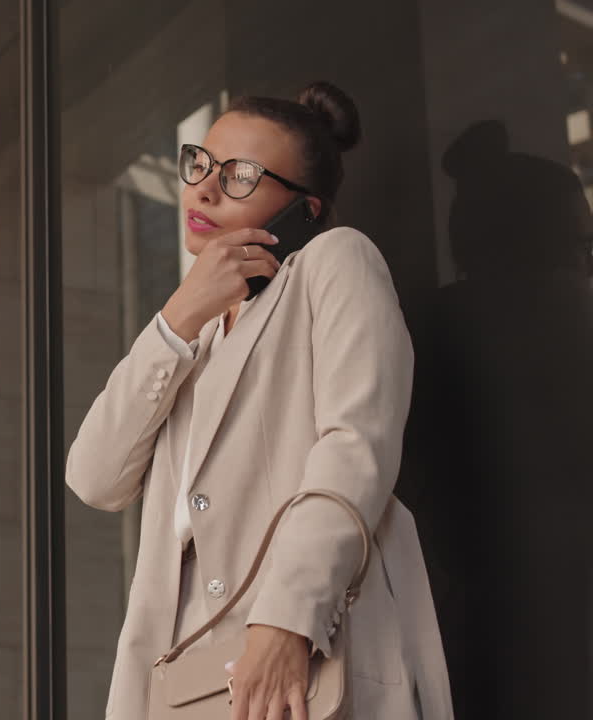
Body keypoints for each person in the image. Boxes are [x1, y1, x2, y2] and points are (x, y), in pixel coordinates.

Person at [65, 81, 452, 720]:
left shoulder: (336, 262)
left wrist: (286, 619)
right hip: (183, 684)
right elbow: (93, 476)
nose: (206, 189)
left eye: (242, 175)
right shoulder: (194, 331)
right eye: (202, 165)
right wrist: (180, 315)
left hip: (302, 658)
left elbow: (356, 446)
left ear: (304, 209)